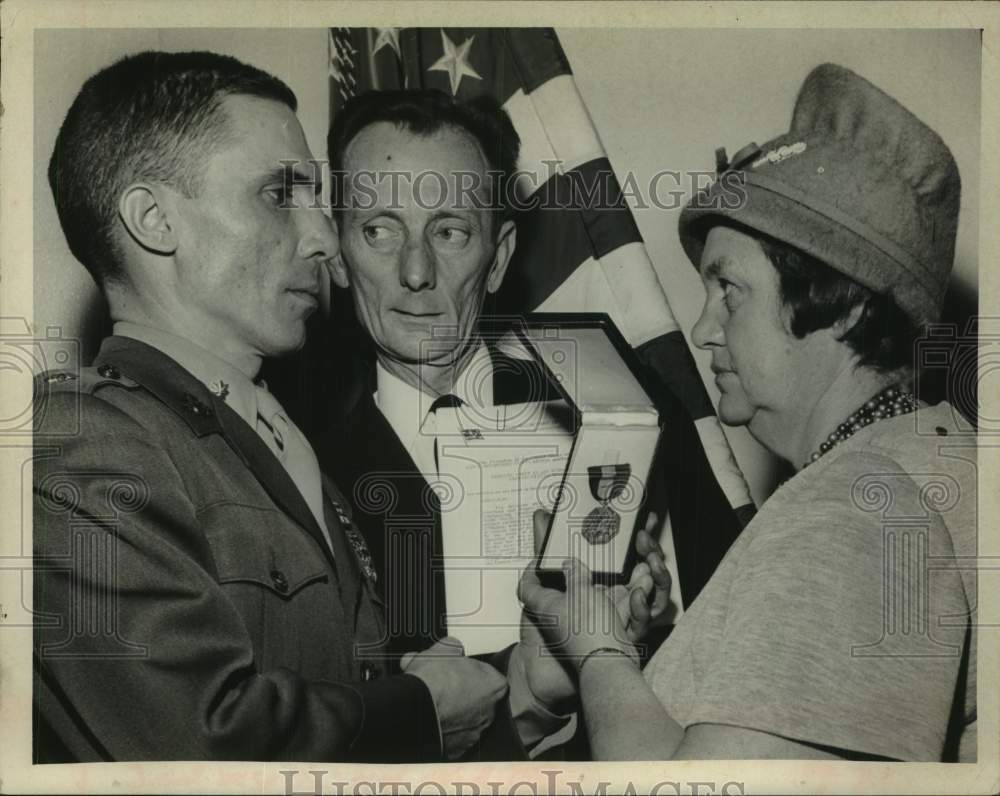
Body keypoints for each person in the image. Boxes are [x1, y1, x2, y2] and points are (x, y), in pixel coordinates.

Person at [32, 50, 511, 763]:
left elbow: (339, 683)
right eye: (278, 195)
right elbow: (195, 741)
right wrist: (422, 711)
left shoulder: (272, 435)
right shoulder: (83, 444)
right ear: (154, 219)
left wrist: (518, 691)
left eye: (315, 199)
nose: (324, 241)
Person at [518, 63, 977, 762]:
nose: (703, 329)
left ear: (845, 301)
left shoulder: (851, 509)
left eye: (729, 289)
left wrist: (599, 651)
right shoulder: (923, 460)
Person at [313, 90, 674, 755]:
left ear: (501, 255)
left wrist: (647, 622)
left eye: (449, 231)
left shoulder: (612, 410)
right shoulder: (304, 470)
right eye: (378, 230)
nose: (415, 272)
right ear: (337, 250)